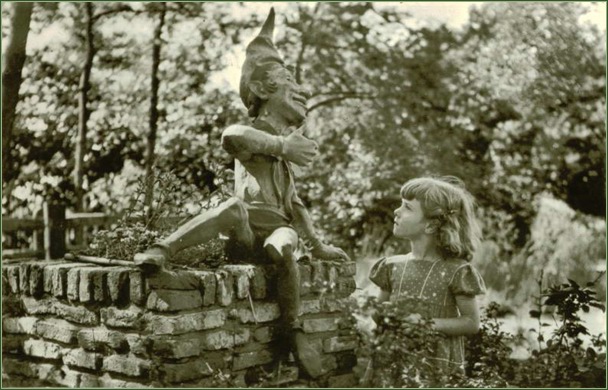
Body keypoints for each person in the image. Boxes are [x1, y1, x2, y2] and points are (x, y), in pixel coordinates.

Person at [133, 8, 349, 378]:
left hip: (276, 237)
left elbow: (294, 205)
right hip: (245, 234)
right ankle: (161, 250)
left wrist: (318, 244)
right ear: (264, 89)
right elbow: (232, 136)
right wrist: (282, 147)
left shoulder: (283, 154)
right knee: (233, 206)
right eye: (289, 80)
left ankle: (290, 331)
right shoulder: (259, 138)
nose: (305, 90)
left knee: (283, 243)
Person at [369, 176, 486, 375]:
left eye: (407, 207)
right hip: (394, 358)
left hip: (435, 363)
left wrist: (424, 324)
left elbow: (471, 322)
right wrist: (384, 313)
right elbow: (378, 312)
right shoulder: (391, 265)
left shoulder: (456, 271)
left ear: (431, 226)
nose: (397, 211)